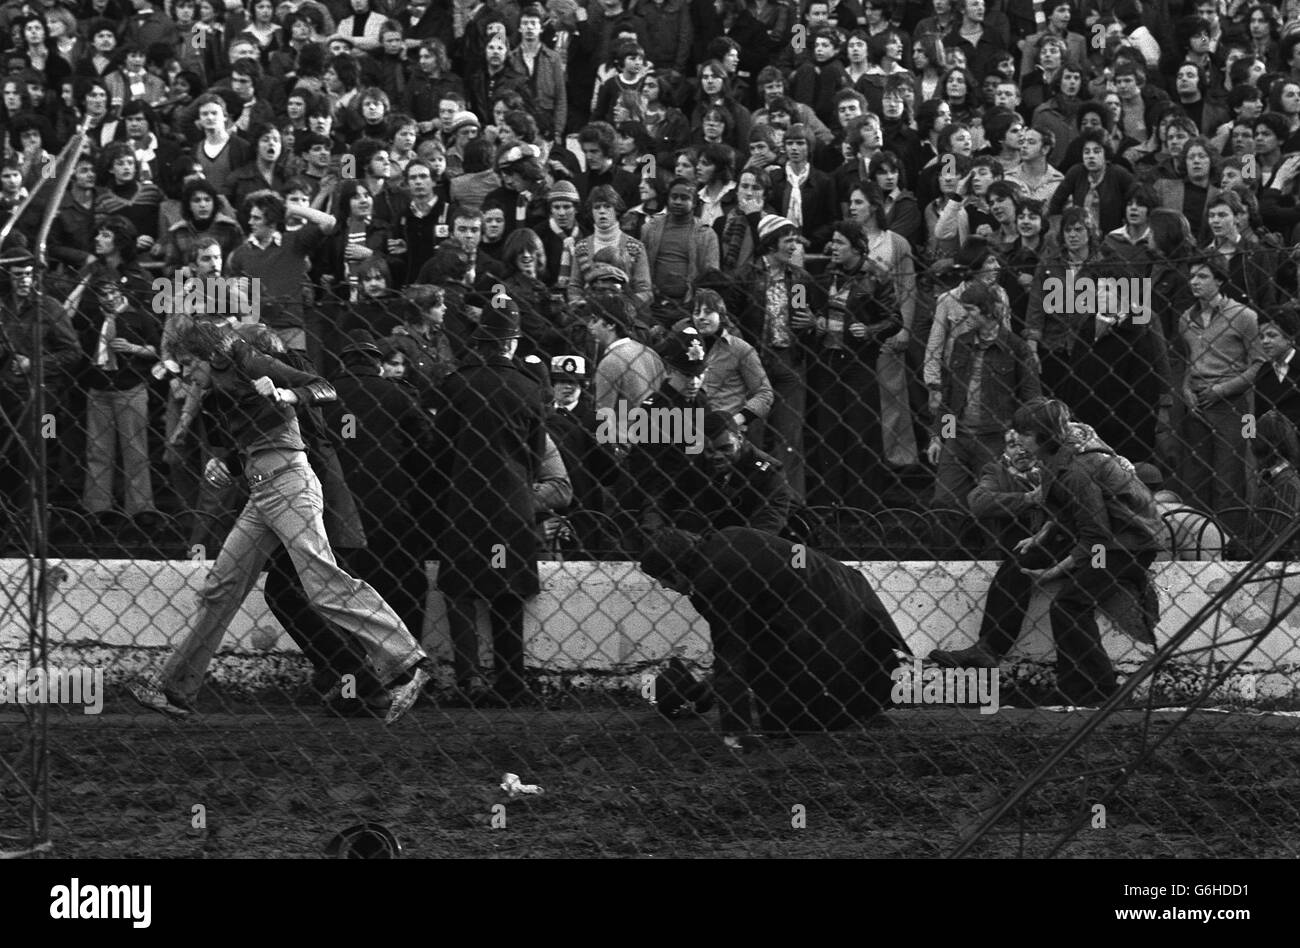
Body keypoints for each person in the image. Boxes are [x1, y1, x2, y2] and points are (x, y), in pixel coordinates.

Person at [128, 318, 434, 722]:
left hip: (289, 485)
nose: (185, 375)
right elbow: (257, 430)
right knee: (222, 586)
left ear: (212, 356)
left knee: (321, 583)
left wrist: (288, 393)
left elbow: (324, 388)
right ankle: (175, 689)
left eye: (188, 365)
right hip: (264, 489)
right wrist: (231, 462)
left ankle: (407, 663)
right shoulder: (221, 379)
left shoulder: (251, 362)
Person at [639, 526, 910, 746]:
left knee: (789, 723)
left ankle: (833, 713)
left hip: (825, 618)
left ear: (675, 570)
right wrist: (714, 687)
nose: (664, 586)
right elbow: (746, 636)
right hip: (842, 596)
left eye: (663, 579)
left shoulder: (713, 580)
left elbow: (732, 653)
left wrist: (736, 733)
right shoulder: (725, 539)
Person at [425, 301, 545, 707]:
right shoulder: (529, 387)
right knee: (507, 589)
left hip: (464, 503)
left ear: (481, 342)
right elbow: (536, 452)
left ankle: (470, 677)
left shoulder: (458, 384)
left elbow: (438, 451)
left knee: (459, 588)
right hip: (512, 505)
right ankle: (512, 679)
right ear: (512, 342)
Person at [1010, 398, 1163, 705]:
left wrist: (1055, 571)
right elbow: (1071, 508)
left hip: (1123, 545)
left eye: (1025, 433)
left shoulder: (1078, 467)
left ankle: (1101, 687)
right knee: (1026, 567)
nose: (1018, 439)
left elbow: (1096, 535)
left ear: (1043, 434)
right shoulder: (1062, 451)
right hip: (1107, 537)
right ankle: (1075, 687)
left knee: (1069, 604)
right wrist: (1041, 535)